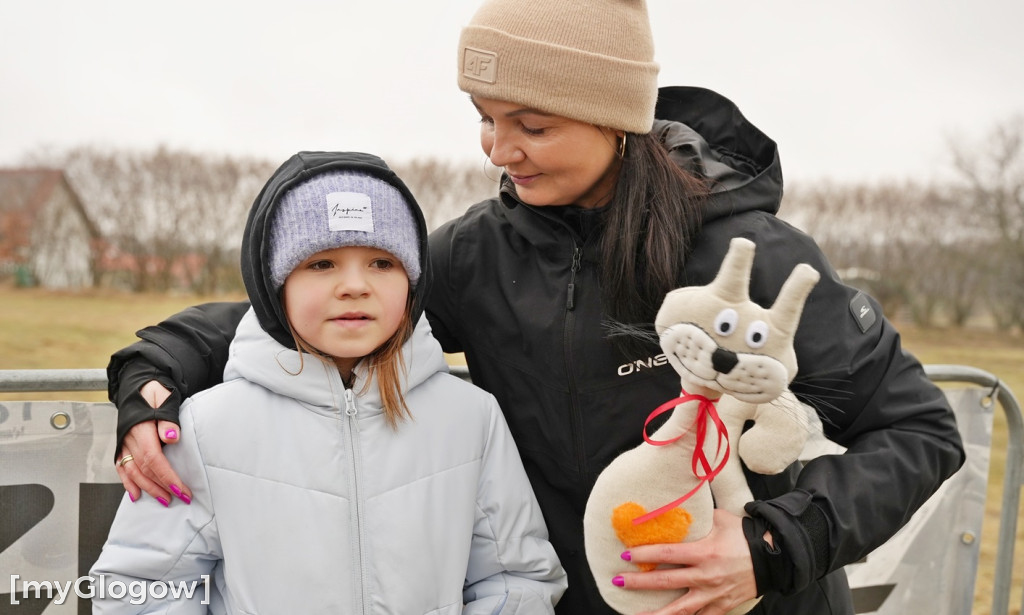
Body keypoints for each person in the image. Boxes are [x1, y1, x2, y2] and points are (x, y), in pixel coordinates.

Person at [105, 1, 966, 613]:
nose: (498, 149)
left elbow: (920, 432)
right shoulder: (478, 256)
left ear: (613, 115)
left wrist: (775, 544)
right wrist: (155, 368)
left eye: (532, 123)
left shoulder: (752, 258)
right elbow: (328, 301)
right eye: (484, 118)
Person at [91, 151, 567, 613]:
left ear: (414, 281)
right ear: (275, 285)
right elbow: (142, 584)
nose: (355, 285)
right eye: (321, 264)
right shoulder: (209, 425)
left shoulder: (470, 417)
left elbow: (516, 577)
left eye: (382, 263)